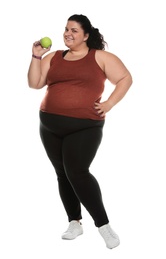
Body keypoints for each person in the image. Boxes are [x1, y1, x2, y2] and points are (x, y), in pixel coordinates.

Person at [27, 14, 132, 249]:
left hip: (85, 126)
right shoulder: (53, 57)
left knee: (77, 172)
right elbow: (34, 84)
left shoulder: (101, 57)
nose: (68, 33)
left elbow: (125, 78)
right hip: (49, 125)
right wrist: (36, 56)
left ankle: (103, 226)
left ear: (86, 35)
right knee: (62, 173)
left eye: (74, 30)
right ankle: (74, 222)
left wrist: (109, 103)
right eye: (66, 29)